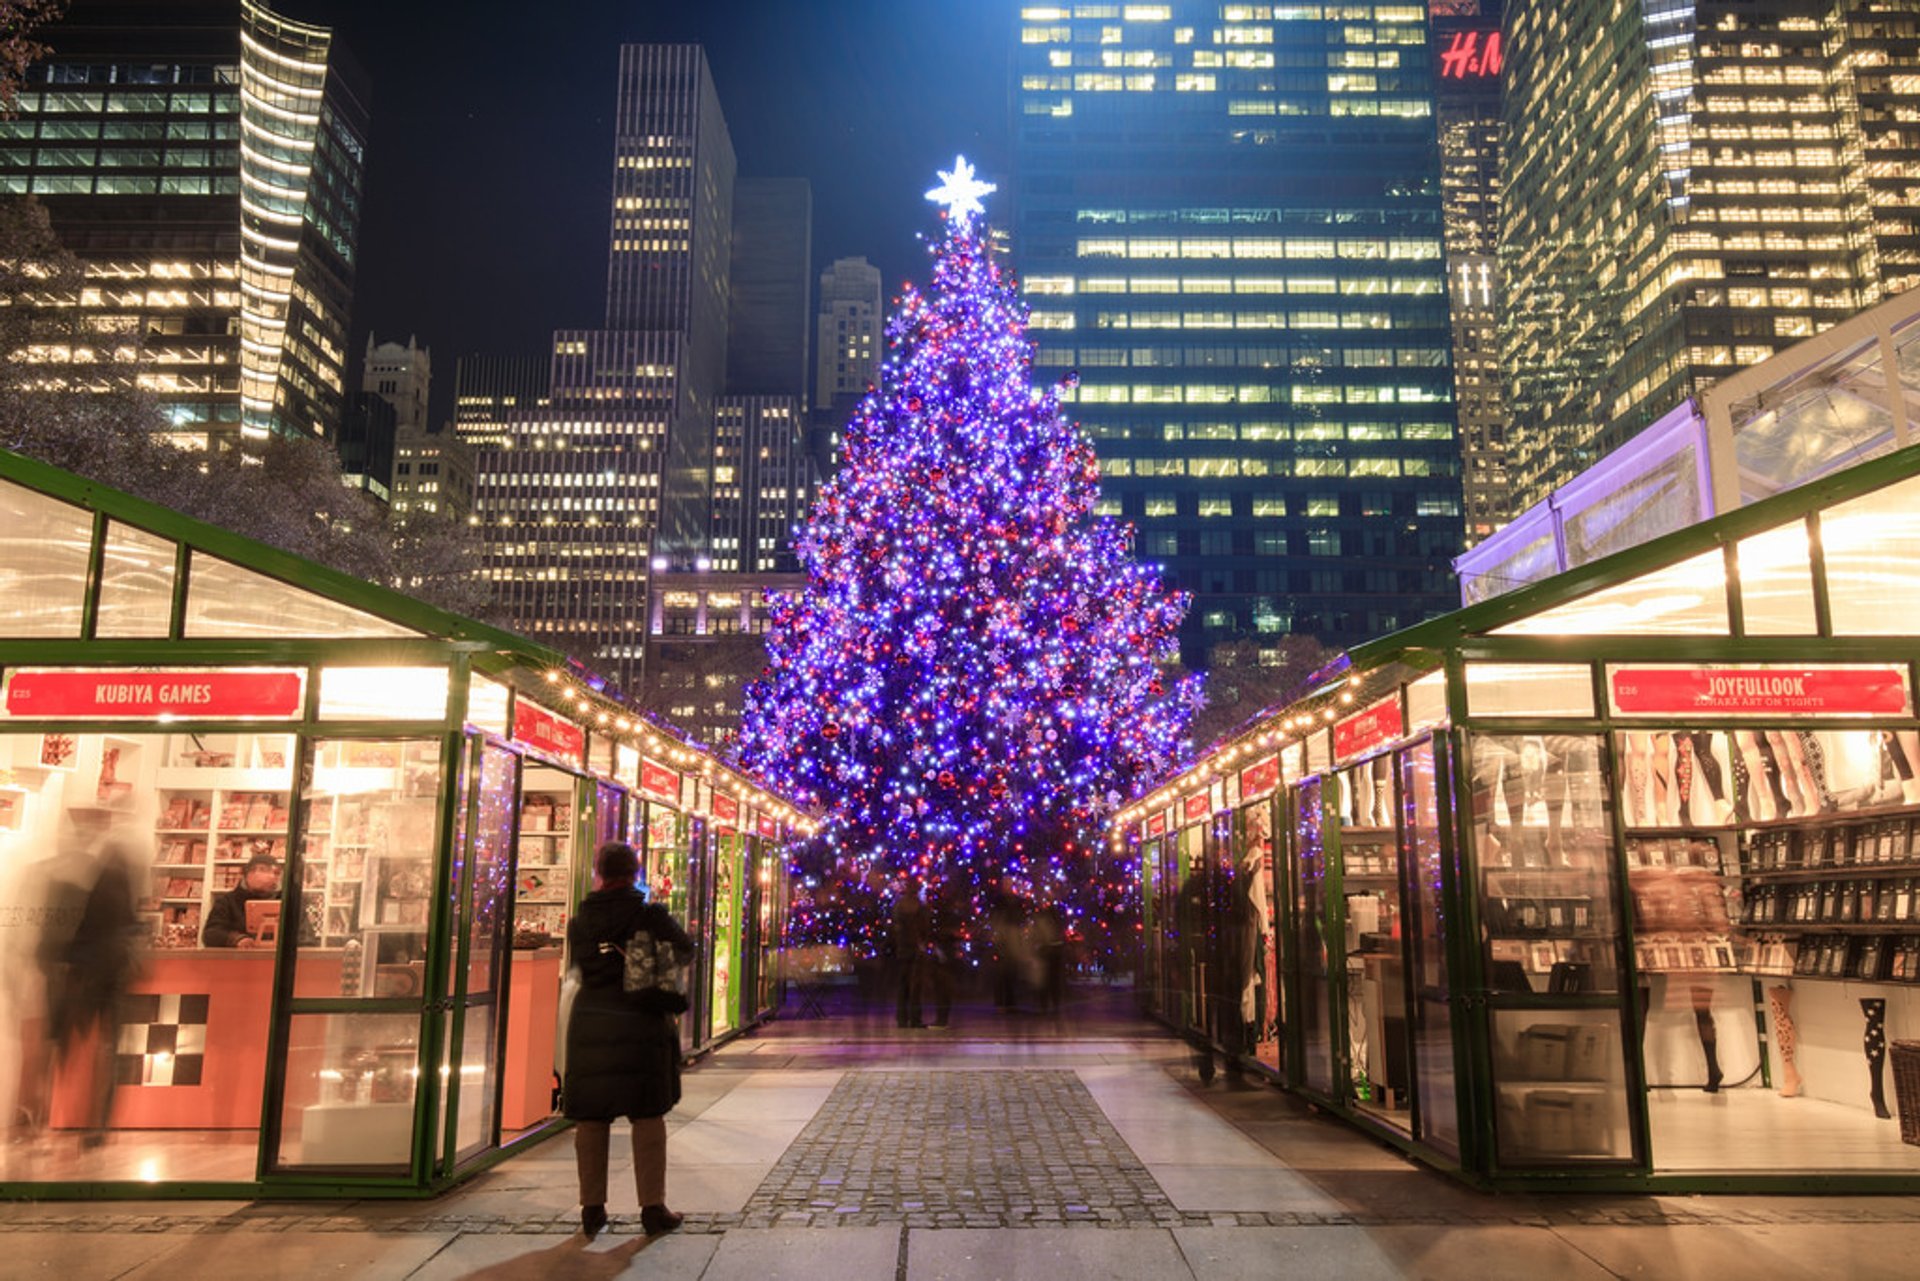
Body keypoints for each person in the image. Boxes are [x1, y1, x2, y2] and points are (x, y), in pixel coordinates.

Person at [564, 840, 694, 1240]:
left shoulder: (579, 919)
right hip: (640, 1022)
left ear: (599, 872)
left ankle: (592, 1209)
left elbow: (578, 967)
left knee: (592, 1118)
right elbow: (685, 950)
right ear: (635, 872)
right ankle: (652, 1208)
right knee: (647, 1116)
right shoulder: (648, 913)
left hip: (590, 1023)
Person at [37, 806, 144, 1145]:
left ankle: (92, 1124)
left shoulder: (98, 870)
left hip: (96, 971)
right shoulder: (84, 870)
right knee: (68, 1046)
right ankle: (55, 1121)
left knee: (92, 1048)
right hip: (82, 970)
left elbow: (123, 920)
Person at [202, 851, 281, 948]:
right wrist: (236, 939)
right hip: (239, 960)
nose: (271, 876)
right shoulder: (227, 901)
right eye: (262, 870)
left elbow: (302, 936)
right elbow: (211, 934)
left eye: (276, 872)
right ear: (247, 875)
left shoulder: (289, 902)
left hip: (279, 960)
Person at [891, 879, 930, 1028]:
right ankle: (915, 1019)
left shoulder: (899, 906)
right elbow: (925, 928)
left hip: (903, 948)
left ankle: (902, 1018)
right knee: (915, 985)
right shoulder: (920, 907)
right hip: (915, 948)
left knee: (903, 985)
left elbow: (895, 927)